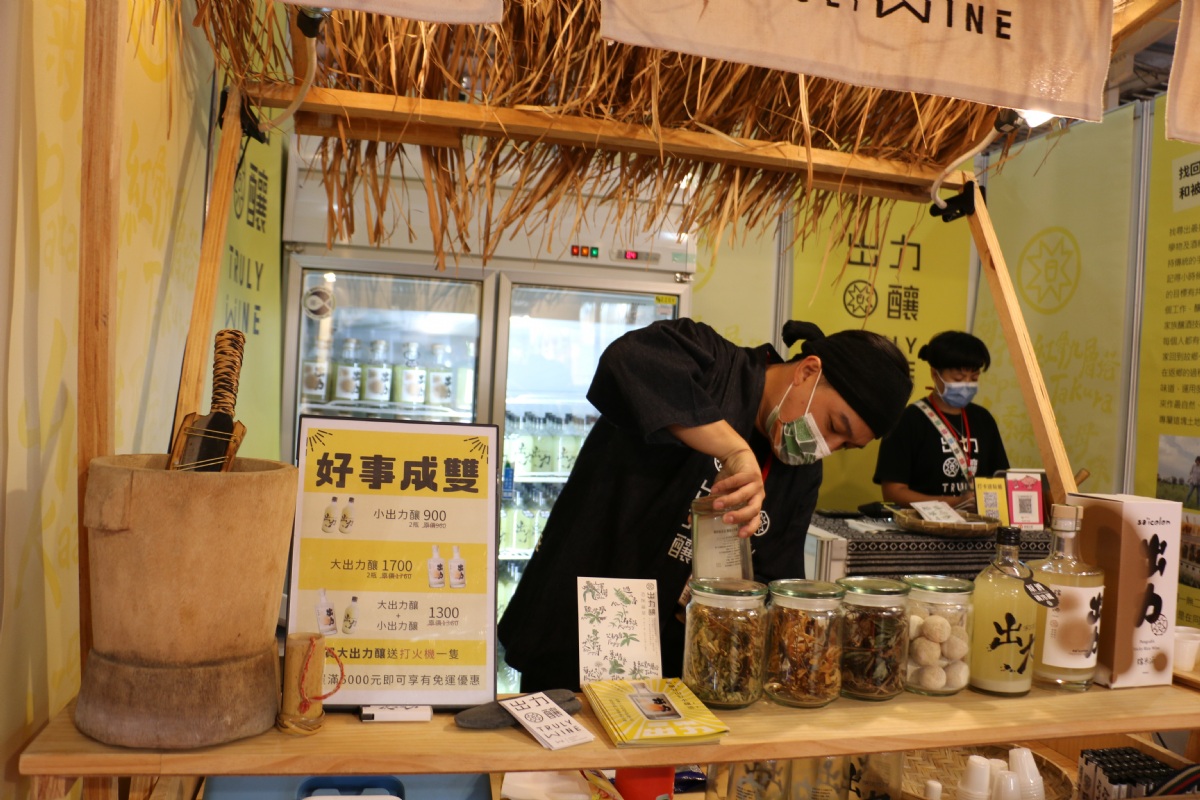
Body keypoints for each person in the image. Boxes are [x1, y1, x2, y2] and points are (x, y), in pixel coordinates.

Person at [498, 317, 913, 691]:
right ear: (808, 371)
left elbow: (774, 578)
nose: (826, 446)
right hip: (583, 623)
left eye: (845, 446)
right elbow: (627, 360)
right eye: (835, 425)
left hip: (677, 668)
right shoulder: (713, 363)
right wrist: (734, 450)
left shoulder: (801, 474)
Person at [873, 330, 1009, 510]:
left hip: (978, 523)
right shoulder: (908, 419)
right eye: (958, 379)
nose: (967, 385)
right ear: (935, 374)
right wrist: (953, 502)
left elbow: (1002, 480)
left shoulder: (983, 419)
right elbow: (893, 492)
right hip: (923, 523)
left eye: (974, 378)